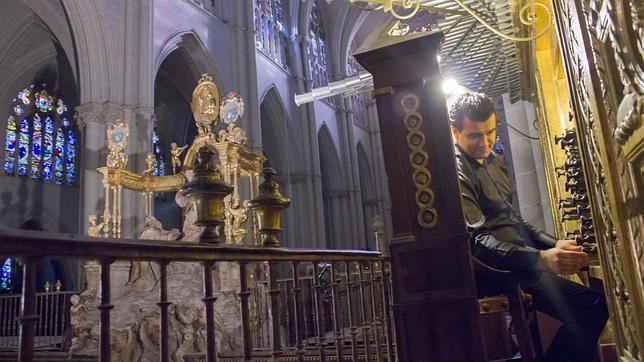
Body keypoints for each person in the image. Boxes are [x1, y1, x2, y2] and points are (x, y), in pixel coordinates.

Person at [449, 92, 608, 362]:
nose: (485, 142)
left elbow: (515, 220)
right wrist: (541, 259)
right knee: (592, 304)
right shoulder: (455, 171)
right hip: (495, 270)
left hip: (518, 262)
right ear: (455, 132)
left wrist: (554, 243)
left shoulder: (494, 161)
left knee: (594, 297)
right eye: (475, 135)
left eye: (490, 132)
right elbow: (479, 243)